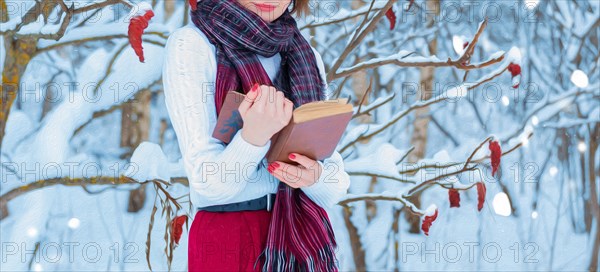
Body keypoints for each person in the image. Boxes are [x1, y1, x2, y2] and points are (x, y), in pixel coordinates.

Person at [162, 0, 350, 271]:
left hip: (301, 239)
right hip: (229, 237)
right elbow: (207, 185)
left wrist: (314, 177)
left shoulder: (304, 55)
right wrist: (252, 139)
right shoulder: (192, 46)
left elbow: (334, 186)